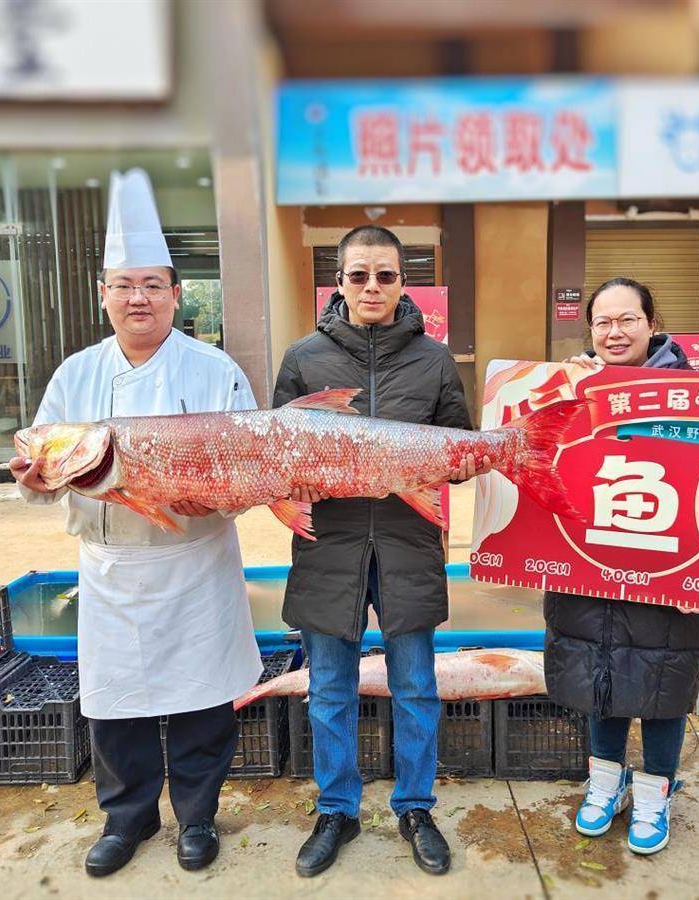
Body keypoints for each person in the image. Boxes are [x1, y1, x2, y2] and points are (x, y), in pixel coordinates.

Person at [10, 169, 261, 878]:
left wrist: (217, 500)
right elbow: (41, 465)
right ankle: (128, 818)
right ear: (104, 294)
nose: (138, 298)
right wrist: (32, 480)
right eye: (124, 285)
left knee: (203, 701)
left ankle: (198, 816)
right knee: (115, 704)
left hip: (196, 562)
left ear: (176, 294)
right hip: (112, 565)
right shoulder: (74, 375)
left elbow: (248, 467)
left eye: (152, 284)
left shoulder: (215, 370)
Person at [273, 225, 484, 878]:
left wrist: (450, 465)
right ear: (338, 282)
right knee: (329, 690)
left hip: (408, 544)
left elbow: (457, 445)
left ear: (402, 282)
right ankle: (336, 809)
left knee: (415, 687)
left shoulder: (434, 359)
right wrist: (295, 478)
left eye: (385, 275)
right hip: (327, 548)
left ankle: (415, 807)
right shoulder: (303, 358)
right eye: (359, 274)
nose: (372, 286)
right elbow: (276, 450)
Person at [544, 277, 699, 856]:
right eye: (603, 322)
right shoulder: (573, 386)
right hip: (591, 563)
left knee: (663, 680)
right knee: (601, 674)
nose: (614, 332)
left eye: (628, 320)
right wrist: (561, 388)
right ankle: (605, 783)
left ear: (652, 324)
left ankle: (655, 793)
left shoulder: (697, 396)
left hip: (670, 569)